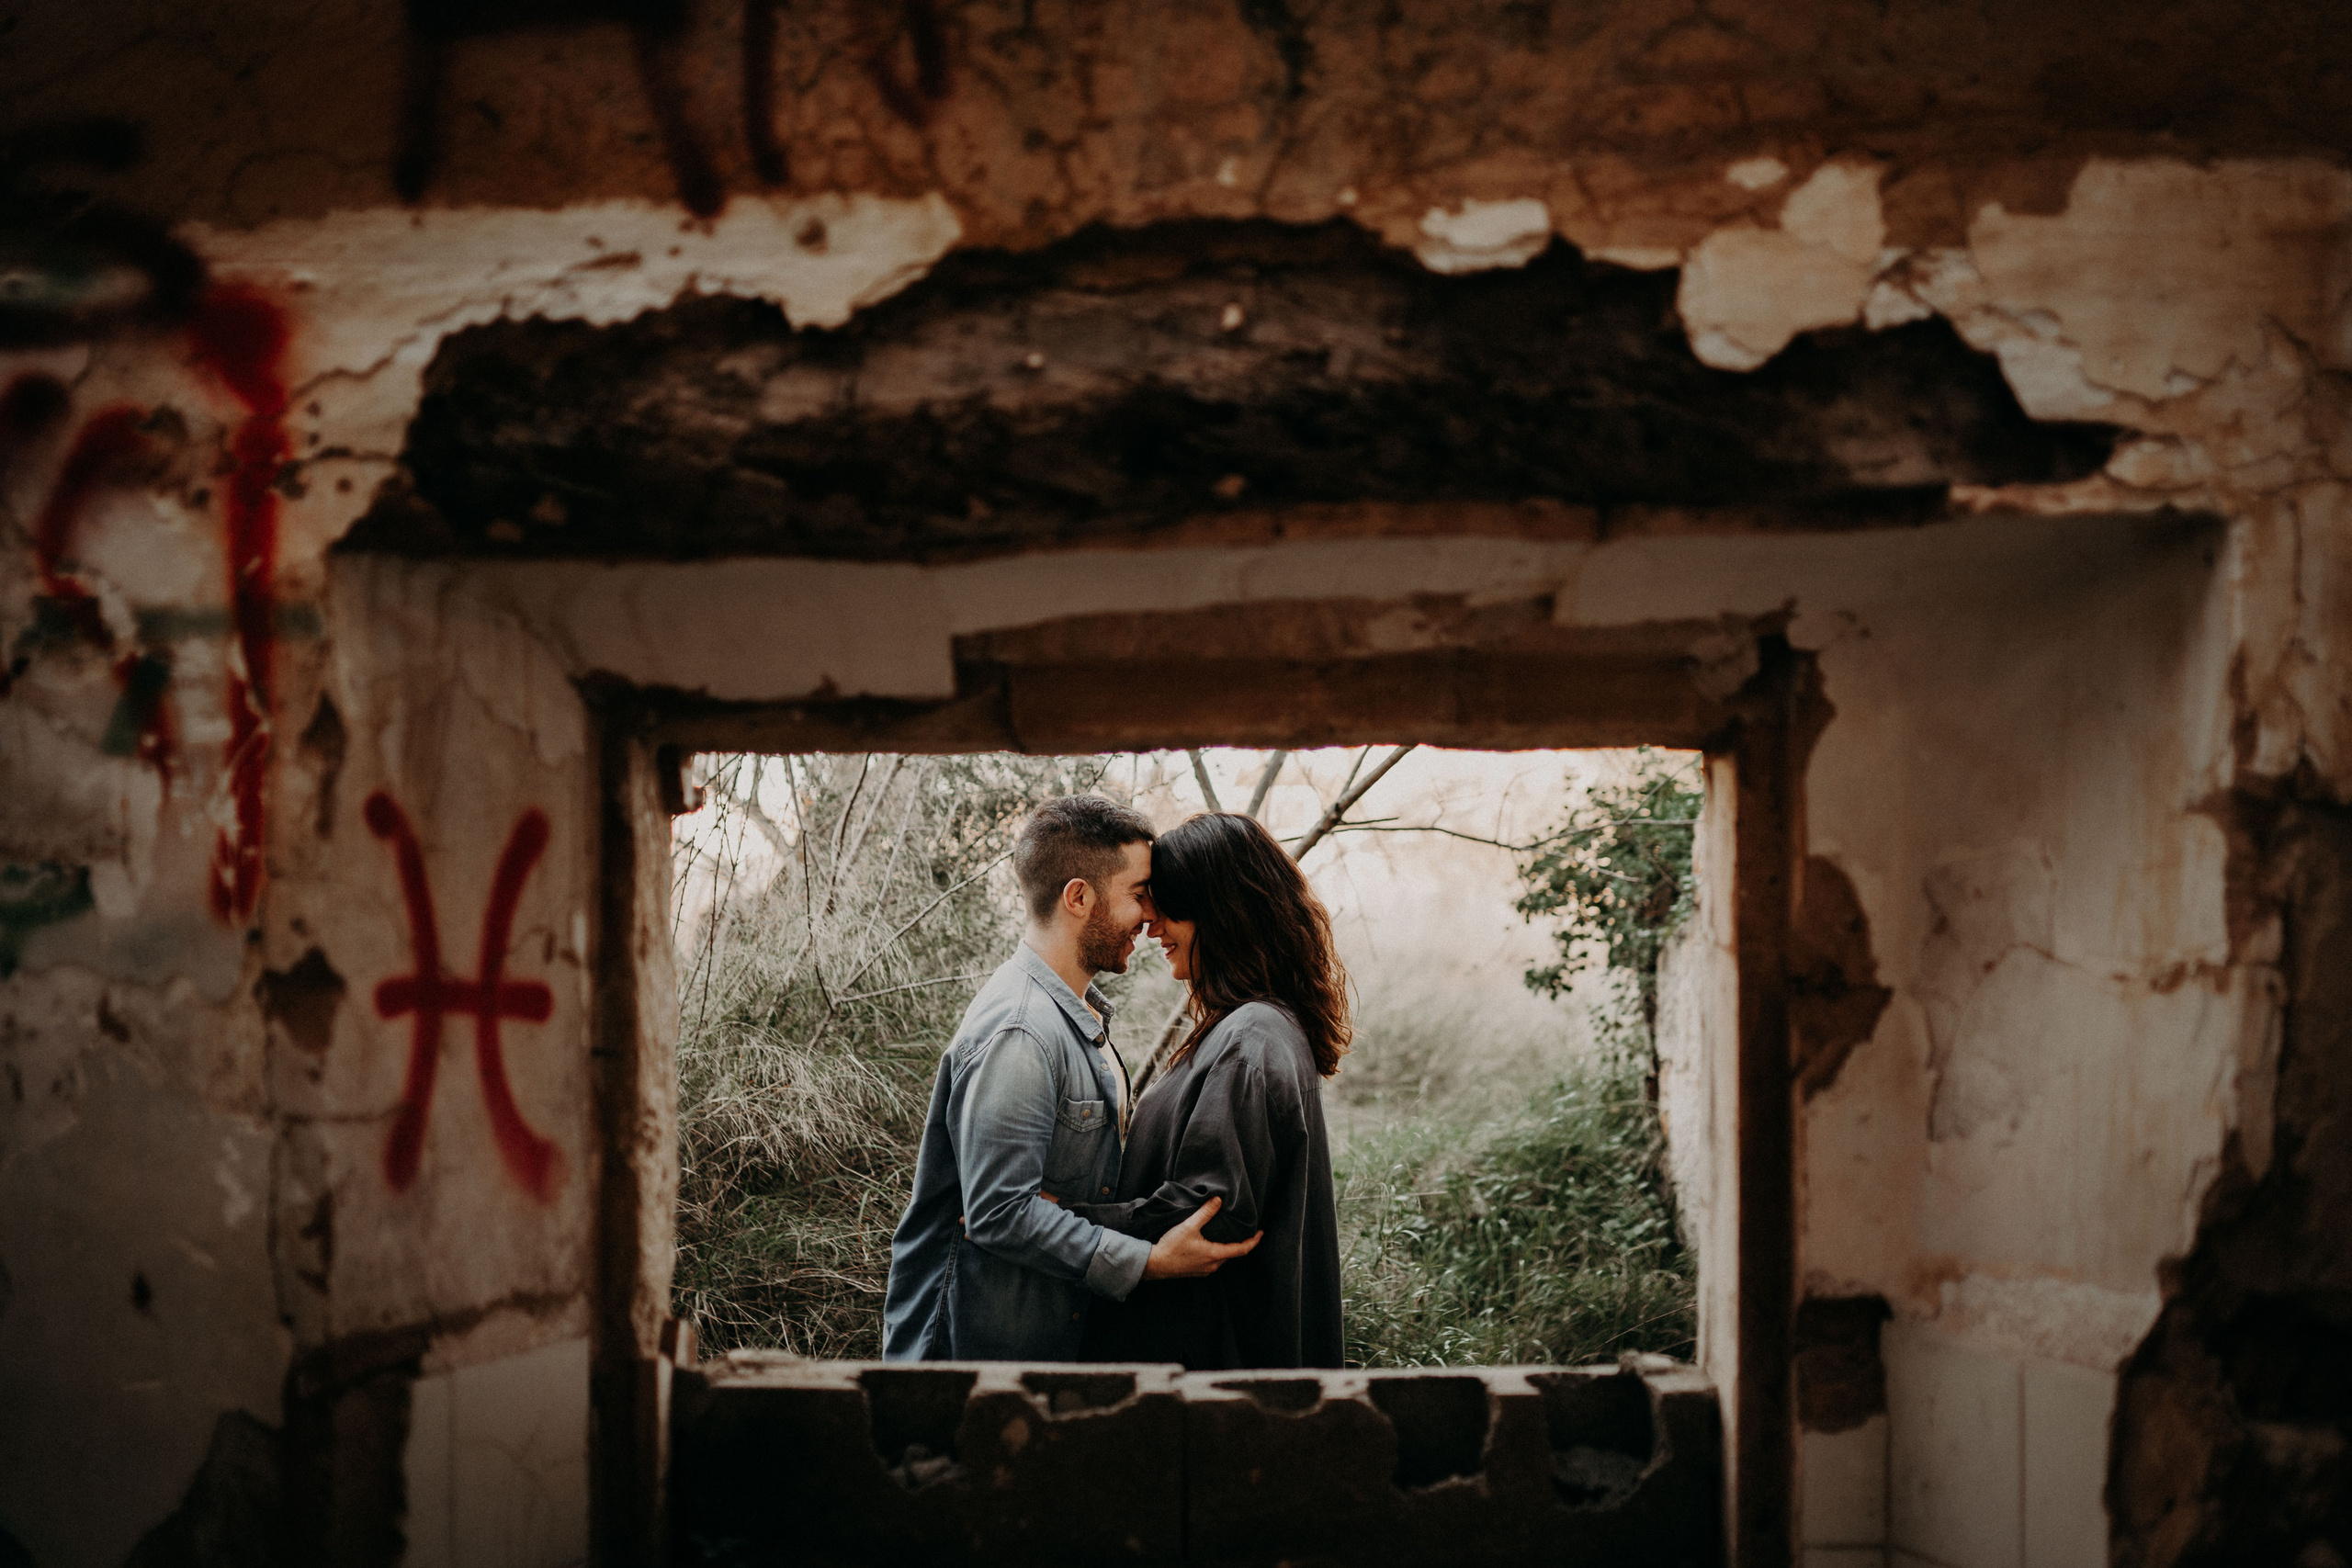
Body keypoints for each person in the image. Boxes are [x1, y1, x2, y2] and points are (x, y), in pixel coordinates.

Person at [882, 795, 1260, 1361]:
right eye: (1139, 894)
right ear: (1079, 897)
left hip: (1041, 1352)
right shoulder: (1021, 1032)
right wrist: (1149, 1263)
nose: (1151, 915)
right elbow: (999, 1212)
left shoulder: (1075, 1018)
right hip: (970, 1365)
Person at [1066, 811, 1348, 1370]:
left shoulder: (1252, 1038)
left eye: (1169, 908)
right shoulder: (1246, 1030)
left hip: (1214, 1370)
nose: (1152, 928)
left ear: (1222, 911)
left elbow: (1208, 1212)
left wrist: (1056, 1219)